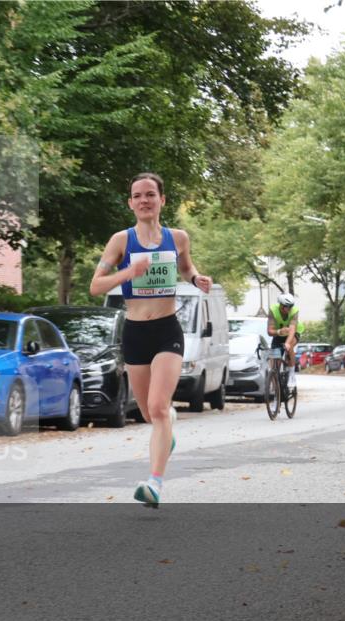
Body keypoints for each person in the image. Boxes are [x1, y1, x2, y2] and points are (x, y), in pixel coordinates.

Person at [89, 172, 213, 508]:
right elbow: (96, 286)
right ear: (130, 203)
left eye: (150, 194)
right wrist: (128, 272)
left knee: (159, 407)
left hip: (167, 330)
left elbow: (187, 269)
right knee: (148, 413)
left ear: (162, 200)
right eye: (137, 195)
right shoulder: (121, 241)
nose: (144, 200)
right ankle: (166, 431)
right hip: (135, 332)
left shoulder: (178, 238)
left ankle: (154, 483)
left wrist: (197, 278)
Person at [267, 293, 304, 388]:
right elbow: (270, 331)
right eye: (287, 307)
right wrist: (279, 331)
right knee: (274, 362)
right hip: (280, 333)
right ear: (281, 306)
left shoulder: (294, 311)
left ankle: (292, 374)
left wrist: (287, 343)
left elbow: (292, 329)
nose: (290, 308)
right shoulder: (273, 310)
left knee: (289, 346)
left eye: (291, 306)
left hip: (294, 332)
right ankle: (276, 391)